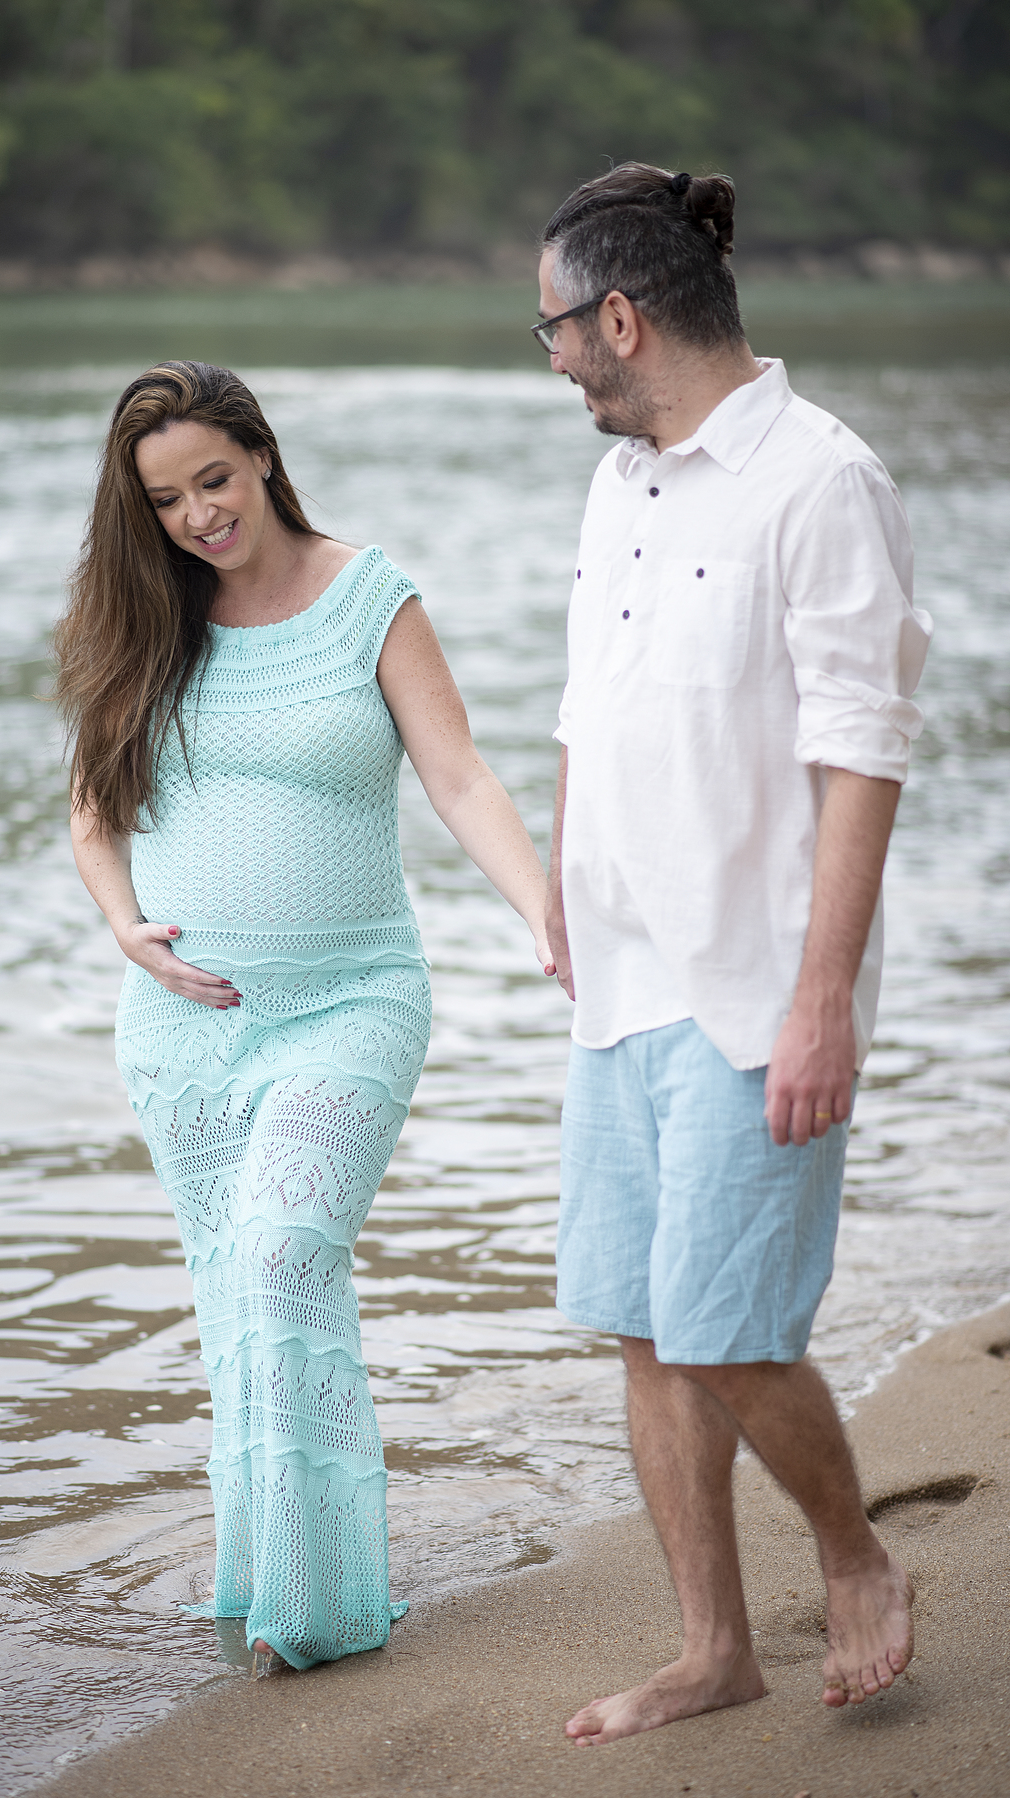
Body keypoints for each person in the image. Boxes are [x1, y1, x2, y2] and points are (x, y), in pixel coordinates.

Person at [56, 361, 552, 1673]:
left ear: (264, 458)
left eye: (213, 479)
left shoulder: (367, 598)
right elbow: (93, 815)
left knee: (281, 1257)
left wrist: (550, 912)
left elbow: (458, 775)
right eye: (166, 499)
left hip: (350, 1002)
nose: (198, 515)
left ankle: (325, 1605)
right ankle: (266, 1582)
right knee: (239, 1300)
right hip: (183, 1033)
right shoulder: (146, 623)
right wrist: (124, 925)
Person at [535, 165, 932, 1744]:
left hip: (757, 980)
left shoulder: (823, 481)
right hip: (622, 974)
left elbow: (862, 748)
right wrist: (568, 888)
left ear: (620, 317)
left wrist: (825, 993)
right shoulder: (624, 474)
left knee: (724, 1331)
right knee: (642, 1321)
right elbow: (585, 700)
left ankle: (855, 1557)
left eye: (555, 328)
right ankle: (715, 1645)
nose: (554, 359)